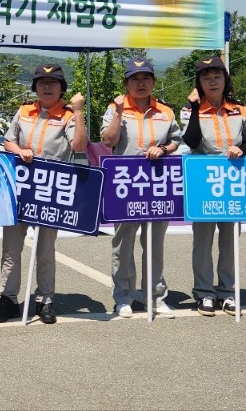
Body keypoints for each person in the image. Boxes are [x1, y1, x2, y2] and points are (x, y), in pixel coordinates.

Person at [0, 63, 87, 325]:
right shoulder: (24, 111)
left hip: (50, 191)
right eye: (42, 82)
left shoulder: (67, 115)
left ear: (61, 88)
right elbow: (8, 140)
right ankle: (8, 299)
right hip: (20, 189)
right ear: (35, 87)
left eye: (53, 82)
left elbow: (79, 146)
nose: (47, 87)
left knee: (45, 251)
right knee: (11, 250)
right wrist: (19, 150)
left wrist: (78, 112)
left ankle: (45, 300)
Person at [99, 57, 182, 319]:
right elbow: (108, 140)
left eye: (146, 78)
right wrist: (119, 113)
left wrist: (164, 149)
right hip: (125, 184)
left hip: (157, 184)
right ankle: (123, 297)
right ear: (126, 84)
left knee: (154, 243)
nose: (141, 83)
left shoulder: (165, 110)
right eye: (134, 79)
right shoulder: (115, 108)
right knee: (123, 244)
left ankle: (155, 297)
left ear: (154, 82)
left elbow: (175, 141)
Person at [180, 54, 246, 317]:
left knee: (230, 239)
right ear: (199, 83)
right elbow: (191, 141)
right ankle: (204, 292)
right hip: (204, 181)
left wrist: (241, 149)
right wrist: (194, 107)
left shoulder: (239, 108)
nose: (212, 82)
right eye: (206, 78)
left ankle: (227, 291)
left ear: (226, 80)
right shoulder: (190, 109)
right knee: (202, 241)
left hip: (233, 181)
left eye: (217, 77)